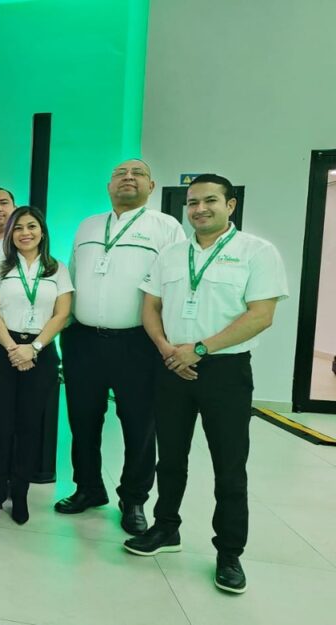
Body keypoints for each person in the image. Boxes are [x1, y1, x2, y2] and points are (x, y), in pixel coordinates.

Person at [124, 174, 288, 594]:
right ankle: (166, 528)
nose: (199, 209)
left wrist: (198, 349)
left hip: (225, 371)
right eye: (193, 202)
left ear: (230, 205)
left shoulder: (257, 251)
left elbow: (261, 315)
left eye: (210, 201)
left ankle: (229, 552)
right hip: (171, 366)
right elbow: (151, 307)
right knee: (169, 458)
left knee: (229, 466)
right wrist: (167, 349)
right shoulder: (171, 254)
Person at [57, 159, 185, 534]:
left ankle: (134, 499)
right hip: (83, 340)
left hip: (138, 344)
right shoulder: (88, 225)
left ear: (152, 185)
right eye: (119, 174)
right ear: (109, 186)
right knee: (82, 420)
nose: (128, 178)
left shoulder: (166, 227)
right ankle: (88, 487)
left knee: (139, 425)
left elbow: (175, 286)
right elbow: (72, 276)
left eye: (137, 174)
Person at [0, 207, 73, 524]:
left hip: (40, 352)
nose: (25, 233)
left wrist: (33, 349)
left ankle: (20, 494)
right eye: (18, 228)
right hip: (1, 350)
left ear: (42, 232)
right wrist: (12, 348)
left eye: (32, 226)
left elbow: (62, 313)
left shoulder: (57, 268)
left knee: (29, 427)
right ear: (10, 234)